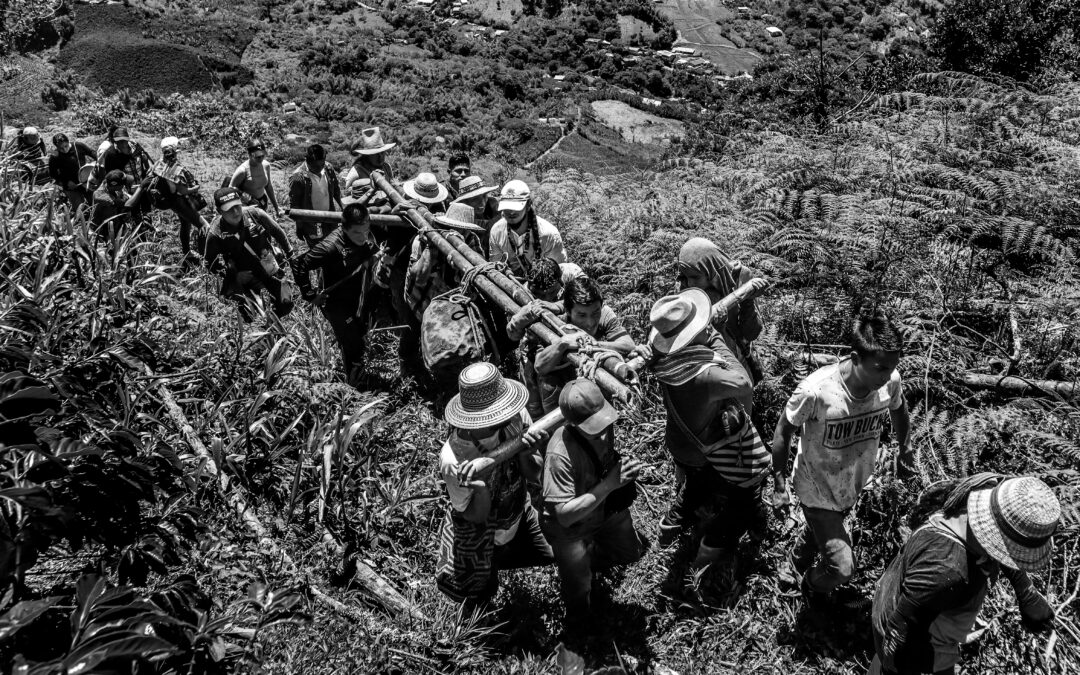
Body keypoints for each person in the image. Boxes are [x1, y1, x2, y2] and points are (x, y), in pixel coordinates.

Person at [771, 308, 912, 606]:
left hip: (851, 483)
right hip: (815, 486)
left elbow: (898, 407)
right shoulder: (817, 391)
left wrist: (904, 447)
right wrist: (780, 485)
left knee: (820, 531)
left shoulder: (889, 381)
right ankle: (810, 587)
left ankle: (794, 563)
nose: (886, 376)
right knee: (843, 568)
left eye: (891, 368)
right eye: (880, 368)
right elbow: (783, 431)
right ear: (855, 357)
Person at [871, 475, 1059, 675]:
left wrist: (1026, 592)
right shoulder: (947, 569)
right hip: (910, 642)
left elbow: (1004, 541)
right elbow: (900, 633)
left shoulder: (982, 492)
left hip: (899, 597)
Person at [641, 289, 772, 567]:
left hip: (681, 440)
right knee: (735, 500)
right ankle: (708, 553)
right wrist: (715, 337)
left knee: (695, 487)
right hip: (705, 448)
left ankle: (667, 530)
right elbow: (744, 382)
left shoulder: (665, 360)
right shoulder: (705, 373)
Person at [435, 362, 553, 610]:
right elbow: (474, 516)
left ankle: (506, 558)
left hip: (520, 512)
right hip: (485, 534)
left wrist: (526, 451)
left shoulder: (517, 417)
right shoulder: (454, 458)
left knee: (552, 553)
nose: (510, 412)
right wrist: (479, 486)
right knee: (479, 596)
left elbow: (534, 473)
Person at [541, 378, 645, 630]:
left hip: (603, 510)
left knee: (631, 551)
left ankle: (591, 560)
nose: (602, 430)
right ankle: (580, 629)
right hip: (571, 530)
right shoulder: (559, 454)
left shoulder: (605, 427)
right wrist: (610, 484)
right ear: (572, 424)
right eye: (593, 426)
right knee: (579, 593)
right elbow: (564, 515)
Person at [292, 202, 381, 387]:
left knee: (359, 334)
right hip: (335, 303)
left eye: (366, 230)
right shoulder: (331, 246)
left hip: (357, 297)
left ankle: (355, 369)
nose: (363, 236)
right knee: (353, 343)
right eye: (357, 233)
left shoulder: (367, 235)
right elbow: (299, 265)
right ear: (344, 228)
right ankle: (355, 385)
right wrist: (310, 295)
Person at [534, 276, 634, 414]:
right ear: (568, 311)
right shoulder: (554, 324)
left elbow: (628, 344)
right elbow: (540, 366)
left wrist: (592, 344)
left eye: (595, 313)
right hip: (560, 389)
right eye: (581, 315)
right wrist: (563, 343)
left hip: (593, 386)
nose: (590, 322)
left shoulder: (605, 314)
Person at [507, 258, 586, 419]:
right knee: (537, 409)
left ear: (560, 279)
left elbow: (588, 299)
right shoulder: (522, 294)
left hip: (574, 344)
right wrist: (521, 319)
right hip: (536, 352)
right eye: (540, 295)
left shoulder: (573, 274)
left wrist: (557, 306)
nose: (546, 298)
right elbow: (512, 335)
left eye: (551, 293)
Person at [676, 237, 765, 379]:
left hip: (738, 358)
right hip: (707, 366)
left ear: (710, 270)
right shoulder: (686, 287)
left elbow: (751, 333)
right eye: (686, 277)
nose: (690, 283)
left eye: (695, 277)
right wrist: (717, 328)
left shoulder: (741, 277)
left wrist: (748, 300)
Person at [204, 187, 295, 322]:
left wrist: (290, 254)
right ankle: (260, 332)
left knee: (285, 304)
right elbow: (209, 262)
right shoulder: (216, 233)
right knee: (250, 314)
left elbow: (278, 232)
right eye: (229, 209)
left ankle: (273, 325)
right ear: (219, 211)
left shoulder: (256, 214)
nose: (235, 211)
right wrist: (233, 276)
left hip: (268, 266)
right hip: (244, 276)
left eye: (237, 206)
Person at [147, 137, 210, 263]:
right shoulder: (175, 168)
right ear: (174, 150)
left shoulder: (159, 163)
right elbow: (183, 191)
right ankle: (207, 256)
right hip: (178, 201)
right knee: (204, 226)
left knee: (185, 224)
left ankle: (187, 253)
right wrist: (195, 188)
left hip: (170, 200)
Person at [487, 179, 567, 279]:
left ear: (528, 205)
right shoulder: (497, 231)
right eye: (507, 207)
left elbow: (557, 271)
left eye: (516, 208)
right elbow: (496, 265)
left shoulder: (549, 234)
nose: (511, 212)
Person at [288, 144, 343, 247]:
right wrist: (299, 227)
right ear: (307, 162)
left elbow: (336, 190)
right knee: (318, 249)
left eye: (322, 165)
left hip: (330, 218)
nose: (320, 168)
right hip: (311, 224)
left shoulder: (328, 168)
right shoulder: (298, 178)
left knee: (334, 245)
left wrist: (343, 209)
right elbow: (295, 205)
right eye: (315, 166)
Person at [230, 139, 280, 215]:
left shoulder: (266, 165)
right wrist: (248, 198)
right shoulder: (242, 171)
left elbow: (268, 186)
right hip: (246, 207)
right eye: (257, 156)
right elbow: (230, 189)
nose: (260, 158)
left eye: (262, 155)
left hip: (262, 202)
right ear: (250, 155)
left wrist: (276, 207)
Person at [48, 133, 94, 210]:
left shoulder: (78, 146)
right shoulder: (54, 155)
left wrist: (96, 166)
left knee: (94, 203)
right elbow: (53, 174)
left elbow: (92, 153)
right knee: (79, 208)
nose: (64, 150)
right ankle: (81, 220)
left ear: (68, 141)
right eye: (61, 148)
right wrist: (66, 182)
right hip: (71, 186)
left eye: (66, 146)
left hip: (86, 181)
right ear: (56, 147)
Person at [344, 127, 395, 193]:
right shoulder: (357, 171)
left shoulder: (387, 167)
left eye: (382, 153)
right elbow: (346, 192)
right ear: (367, 155)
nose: (380, 157)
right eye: (376, 154)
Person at [90, 169, 133, 245]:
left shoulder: (108, 183)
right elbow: (124, 203)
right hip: (102, 229)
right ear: (116, 186)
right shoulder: (102, 197)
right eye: (123, 184)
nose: (124, 186)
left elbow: (124, 194)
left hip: (113, 223)